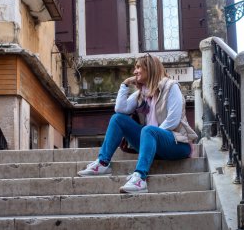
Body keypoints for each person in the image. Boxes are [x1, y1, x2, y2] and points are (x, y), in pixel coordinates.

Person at [77, 54, 198, 193]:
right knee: (118, 119)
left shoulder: (171, 87)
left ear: (150, 68)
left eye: (139, 67)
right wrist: (125, 84)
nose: (135, 71)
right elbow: (121, 109)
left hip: (176, 144)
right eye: (135, 68)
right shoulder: (142, 92)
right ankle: (103, 163)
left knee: (148, 130)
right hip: (151, 143)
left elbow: (173, 120)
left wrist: (153, 136)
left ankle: (140, 178)